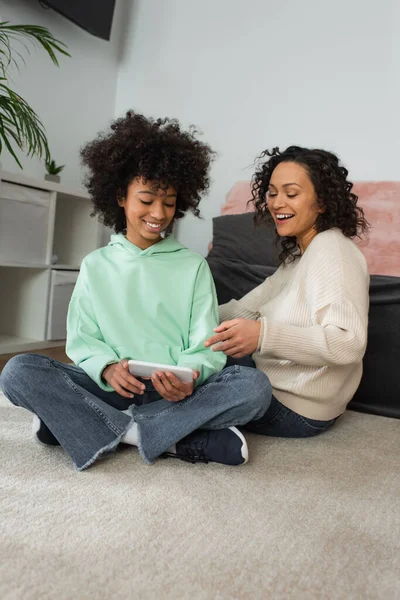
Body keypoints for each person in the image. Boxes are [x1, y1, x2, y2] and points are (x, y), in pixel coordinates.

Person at [0, 112, 270, 470]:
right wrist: (108, 367)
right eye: (146, 199)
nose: (159, 213)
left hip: (174, 393)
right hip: (109, 387)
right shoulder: (96, 264)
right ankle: (162, 436)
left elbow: (206, 343)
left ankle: (92, 426)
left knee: (253, 388)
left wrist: (188, 379)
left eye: (169, 202)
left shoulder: (192, 267)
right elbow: (83, 338)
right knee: (17, 372)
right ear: (120, 197)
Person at [205, 145, 370, 437]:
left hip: (297, 408)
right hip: (275, 385)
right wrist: (187, 316)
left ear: (321, 202)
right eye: (272, 192)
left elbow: (348, 343)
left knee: (192, 379)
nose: (277, 203)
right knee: (190, 359)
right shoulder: (299, 254)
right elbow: (247, 309)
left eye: (291, 194)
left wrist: (263, 336)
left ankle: (158, 425)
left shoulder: (333, 250)